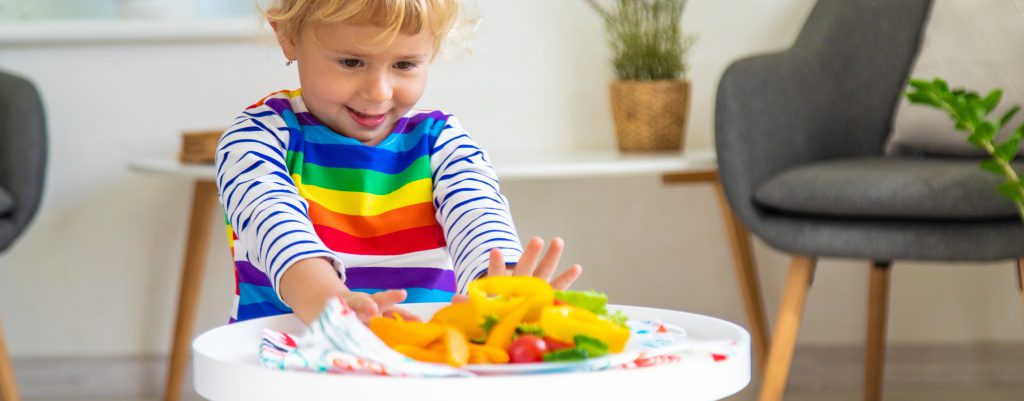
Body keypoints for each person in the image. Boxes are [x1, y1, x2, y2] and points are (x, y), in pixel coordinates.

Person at [216, 0, 582, 325]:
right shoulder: (256, 139)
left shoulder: (441, 142)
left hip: (422, 358)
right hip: (286, 358)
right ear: (288, 36)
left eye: (404, 64)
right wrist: (332, 304)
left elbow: (478, 213)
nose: (379, 92)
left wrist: (498, 287)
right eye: (351, 62)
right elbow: (275, 226)